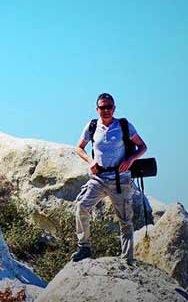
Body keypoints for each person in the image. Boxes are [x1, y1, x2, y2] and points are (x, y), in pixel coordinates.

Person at [71, 93, 147, 263]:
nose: (106, 110)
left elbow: (142, 146)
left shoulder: (124, 125)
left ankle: (127, 259)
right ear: (97, 109)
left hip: (120, 179)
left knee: (125, 220)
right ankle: (84, 247)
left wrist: (130, 159)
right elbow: (79, 148)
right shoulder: (92, 126)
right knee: (82, 206)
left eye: (109, 107)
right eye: (102, 107)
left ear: (114, 108)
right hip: (98, 178)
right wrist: (90, 161)